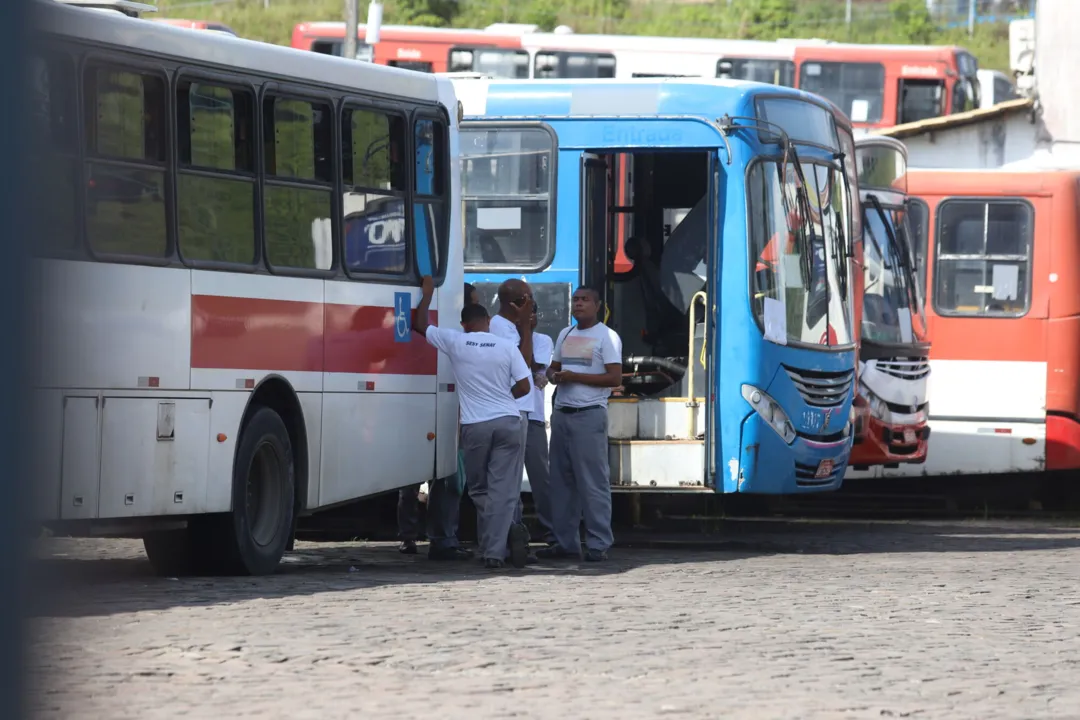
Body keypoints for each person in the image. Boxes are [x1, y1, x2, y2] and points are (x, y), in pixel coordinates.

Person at [413, 275, 533, 569]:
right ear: (488, 321)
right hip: (508, 421)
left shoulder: (456, 341)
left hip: (476, 426)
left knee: (480, 490)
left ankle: (495, 544)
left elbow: (419, 325)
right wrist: (502, 394)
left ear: (464, 324)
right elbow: (525, 386)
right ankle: (496, 548)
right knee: (505, 491)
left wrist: (427, 294)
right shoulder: (506, 346)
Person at [396, 281, 481, 560]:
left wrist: (427, 296)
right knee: (449, 483)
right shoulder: (459, 338)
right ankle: (442, 539)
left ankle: (414, 536)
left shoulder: (450, 336)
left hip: (423, 409)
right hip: (450, 417)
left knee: (414, 480)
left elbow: (419, 324)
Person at [538, 287, 623, 562]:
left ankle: (598, 543)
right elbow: (554, 367)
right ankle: (566, 543)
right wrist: (553, 375)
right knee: (561, 483)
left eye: (585, 300)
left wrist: (575, 376)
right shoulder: (565, 334)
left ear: (597, 305)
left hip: (589, 414)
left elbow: (614, 378)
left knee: (593, 482)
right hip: (562, 413)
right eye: (576, 299)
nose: (579, 304)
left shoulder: (607, 337)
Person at [487, 279, 537, 548]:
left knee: (511, 481)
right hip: (512, 410)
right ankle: (509, 539)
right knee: (507, 481)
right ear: (517, 303)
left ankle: (511, 535)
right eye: (528, 300)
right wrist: (527, 328)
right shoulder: (501, 327)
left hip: (518, 409)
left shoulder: (509, 327)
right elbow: (523, 362)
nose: (532, 305)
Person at [524, 301, 556, 546]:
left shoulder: (543, 340)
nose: (530, 317)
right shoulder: (503, 336)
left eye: (533, 312)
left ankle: (550, 529)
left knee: (540, 477)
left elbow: (535, 367)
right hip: (509, 414)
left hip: (533, 416)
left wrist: (525, 332)